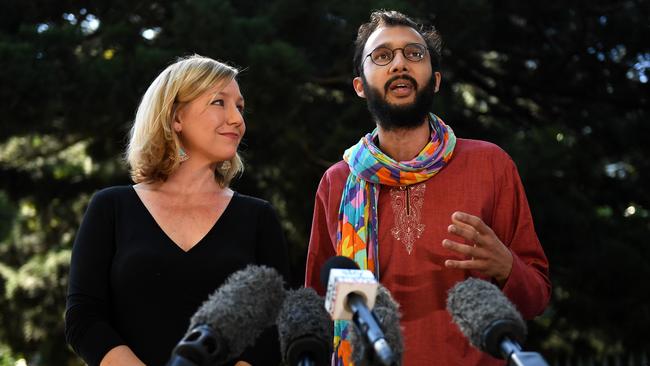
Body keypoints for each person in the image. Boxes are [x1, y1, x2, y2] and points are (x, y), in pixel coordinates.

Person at [304, 10, 550, 366]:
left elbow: (537, 298)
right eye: (383, 56)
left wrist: (507, 265)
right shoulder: (337, 182)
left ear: (434, 80)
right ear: (360, 85)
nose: (400, 64)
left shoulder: (490, 164)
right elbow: (316, 308)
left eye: (414, 54)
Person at [65, 55, 290, 366]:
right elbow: (83, 317)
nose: (237, 119)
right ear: (175, 118)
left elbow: (275, 324)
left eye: (239, 106)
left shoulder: (259, 217)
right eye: (218, 102)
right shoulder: (110, 207)